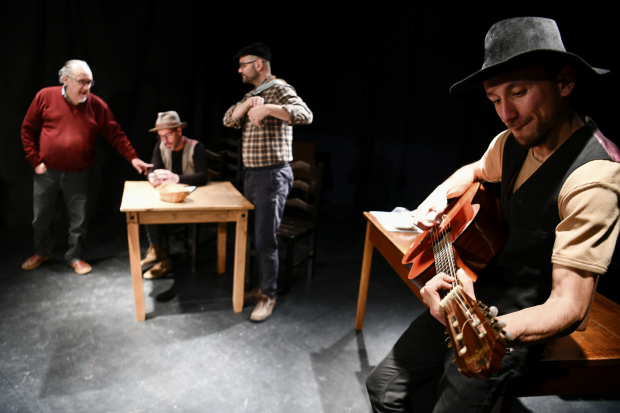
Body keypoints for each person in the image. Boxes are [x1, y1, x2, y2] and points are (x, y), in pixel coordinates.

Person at [366, 17, 620, 413]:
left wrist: (489, 327)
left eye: (518, 93)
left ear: (566, 82)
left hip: (521, 317)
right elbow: (474, 171)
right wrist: (436, 200)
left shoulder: (593, 179)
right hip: (476, 288)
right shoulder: (511, 142)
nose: (507, 114)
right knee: (383, 388)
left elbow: (571, 307)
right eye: (495, 100)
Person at [21, 60, 152, 275]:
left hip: (79, 173)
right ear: (65, 79)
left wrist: (133, 158)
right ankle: (43, 251)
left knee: (78, 220)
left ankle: (75, 256)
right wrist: (35, 161)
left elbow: (115, 135)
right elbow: (27, 130)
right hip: (47, 173)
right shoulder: (45, 96)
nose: (87, 88)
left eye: (90, 83)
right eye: (82, 82)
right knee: (40, 218)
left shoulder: (96, 105)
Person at [223, 42, 313, 322]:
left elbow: (305, 115)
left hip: (272, 175)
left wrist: (269, 109)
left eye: (243, 64)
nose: (239, 69)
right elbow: (228, 119)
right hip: (251, 175)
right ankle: (261, 285)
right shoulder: (252, 94)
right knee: (253, 236)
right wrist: (249, 105)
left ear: (258, 64)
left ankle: (268, 295)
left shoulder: (279, 89)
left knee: (265, 239)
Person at [140, 111, 209, 279]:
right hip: (171, 198)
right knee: (150, 211)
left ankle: (161, 256)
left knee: (159, 215)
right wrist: (152, 176)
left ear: (179, 131)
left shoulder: (196, 147)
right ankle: (161, 254)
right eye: (160, 136)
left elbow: (203, 176)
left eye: (168, 135)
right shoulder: (161, 146)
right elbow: (153, 167)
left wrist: (177, 178)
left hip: (193, 201)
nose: (164, 141)